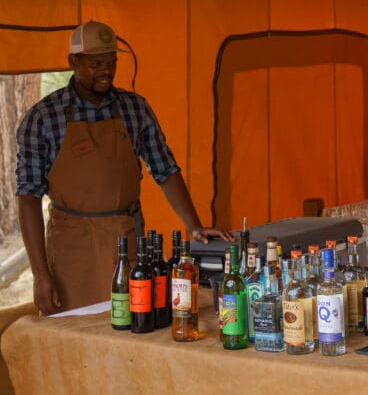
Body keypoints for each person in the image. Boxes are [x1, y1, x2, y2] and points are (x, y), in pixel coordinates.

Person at [15, 20, 233, 315]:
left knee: (132, 329)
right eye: (96, 63)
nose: (106, 71)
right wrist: (41, 274)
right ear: (73, 62)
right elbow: (28, 197)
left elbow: (165, 170)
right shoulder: (41, 119)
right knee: (75, 340)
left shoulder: (134, 108)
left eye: (111, 62)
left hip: (127, 243)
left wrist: (194, 226)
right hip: (71, 253)